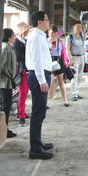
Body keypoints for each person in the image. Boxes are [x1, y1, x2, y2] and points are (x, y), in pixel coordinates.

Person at [26, 11, 54, 160]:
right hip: (38, 76)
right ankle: (35, 148)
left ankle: (38, 142)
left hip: (41, 74)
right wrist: (42, 80)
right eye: (47, 19)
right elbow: (37, 60)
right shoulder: (36, 36)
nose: (49, 22)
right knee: (38, 112)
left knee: (40, 112)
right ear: (39, 22)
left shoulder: (40, 35)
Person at [0, 28, 17, 138]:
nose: (14, 36)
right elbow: (1, 64)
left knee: (6, 105)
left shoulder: (8, 47)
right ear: (9, 37)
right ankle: (4, 129)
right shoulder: (5, 48)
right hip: (5, 81)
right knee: (5, 106)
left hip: (7, 81)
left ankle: (5, 127)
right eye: (13, 35)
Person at [13, 21, 32, 126]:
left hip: (26, 69)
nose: (28, 32)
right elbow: (18, 56)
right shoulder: (17, 42)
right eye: (26, 30)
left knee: (24, 93)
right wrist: (29, 57)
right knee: (22, 93)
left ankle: (22, 111)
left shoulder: (25, 41)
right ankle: (21, 116)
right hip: (21, 70)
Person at [48, 25, 69, 106]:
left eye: (55, 33)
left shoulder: (60, 42)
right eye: (52, 33)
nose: (53, 35)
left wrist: (65, 62)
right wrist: (49, 48)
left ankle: (65, 100)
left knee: (61, 82)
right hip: (49, 61)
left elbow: (63, 53)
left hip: (59, 61)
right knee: (49, 82)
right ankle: (46, 102)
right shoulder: (46, 41)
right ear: (49, 33)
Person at [67, 22, 85, 101]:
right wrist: (69, 59)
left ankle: (77, 92)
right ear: (74, 28)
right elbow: (67, 49)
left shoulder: (81, 37)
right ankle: (73, 94)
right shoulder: (70, 37)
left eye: (80, 27)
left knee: (80, 76)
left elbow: (83, 48)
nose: (79, 28)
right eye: (78, 27)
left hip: (81, 57)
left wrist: (85, 59)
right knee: (74, 76)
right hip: (74, 58)